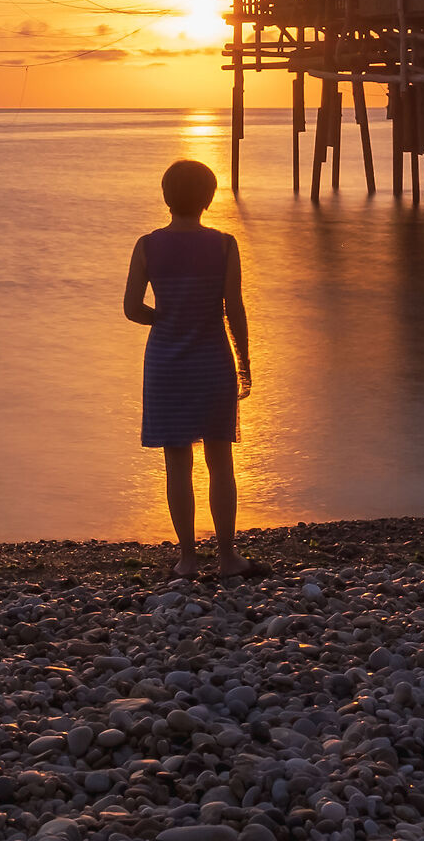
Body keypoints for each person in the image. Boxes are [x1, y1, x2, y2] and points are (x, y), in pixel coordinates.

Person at [122, 158, 260, 579]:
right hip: (211, 361)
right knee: (220, 461)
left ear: (166, 198)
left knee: (177, 463)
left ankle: (186, 558)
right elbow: (233, 309)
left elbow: (131, 309)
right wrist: (245, 363)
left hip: (166, 363)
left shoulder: (147, 245)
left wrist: (165, 318)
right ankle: (227, 556)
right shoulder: (223, 245)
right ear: (208, 198)